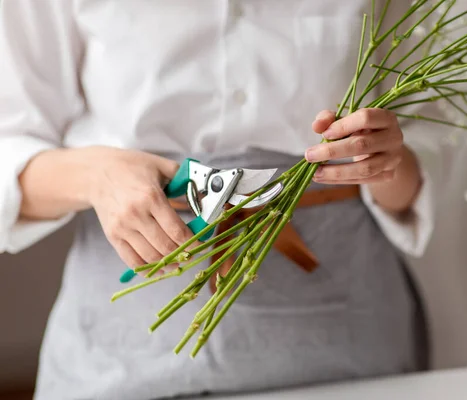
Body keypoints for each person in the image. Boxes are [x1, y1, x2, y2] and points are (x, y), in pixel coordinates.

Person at [0, 1, 441, 399]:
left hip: (349, 335)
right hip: (125, 339)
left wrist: (387, 161)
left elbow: (434, 142)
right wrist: (98, 174)